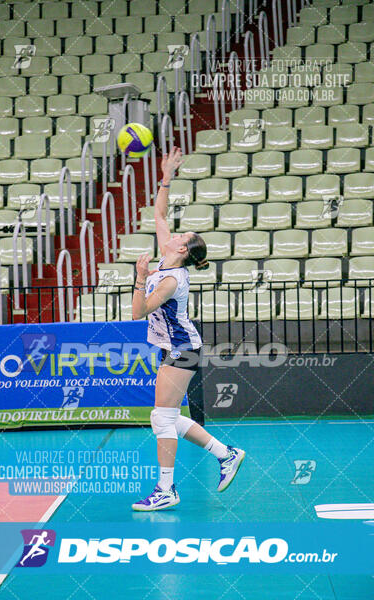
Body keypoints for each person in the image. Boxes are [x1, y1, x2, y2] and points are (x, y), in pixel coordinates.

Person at [131, 147, 245, 511]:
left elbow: (138, 314)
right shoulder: (167, 255)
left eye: (183, 236)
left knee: (160, 417)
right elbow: (160, 213)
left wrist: (139, 278)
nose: (175, 233)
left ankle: (166, 489)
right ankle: (226, 453)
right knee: (168, 416)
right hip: (177, 348)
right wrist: (166, 176)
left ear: (183, 250)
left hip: (183, 350)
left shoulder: (169, 279)